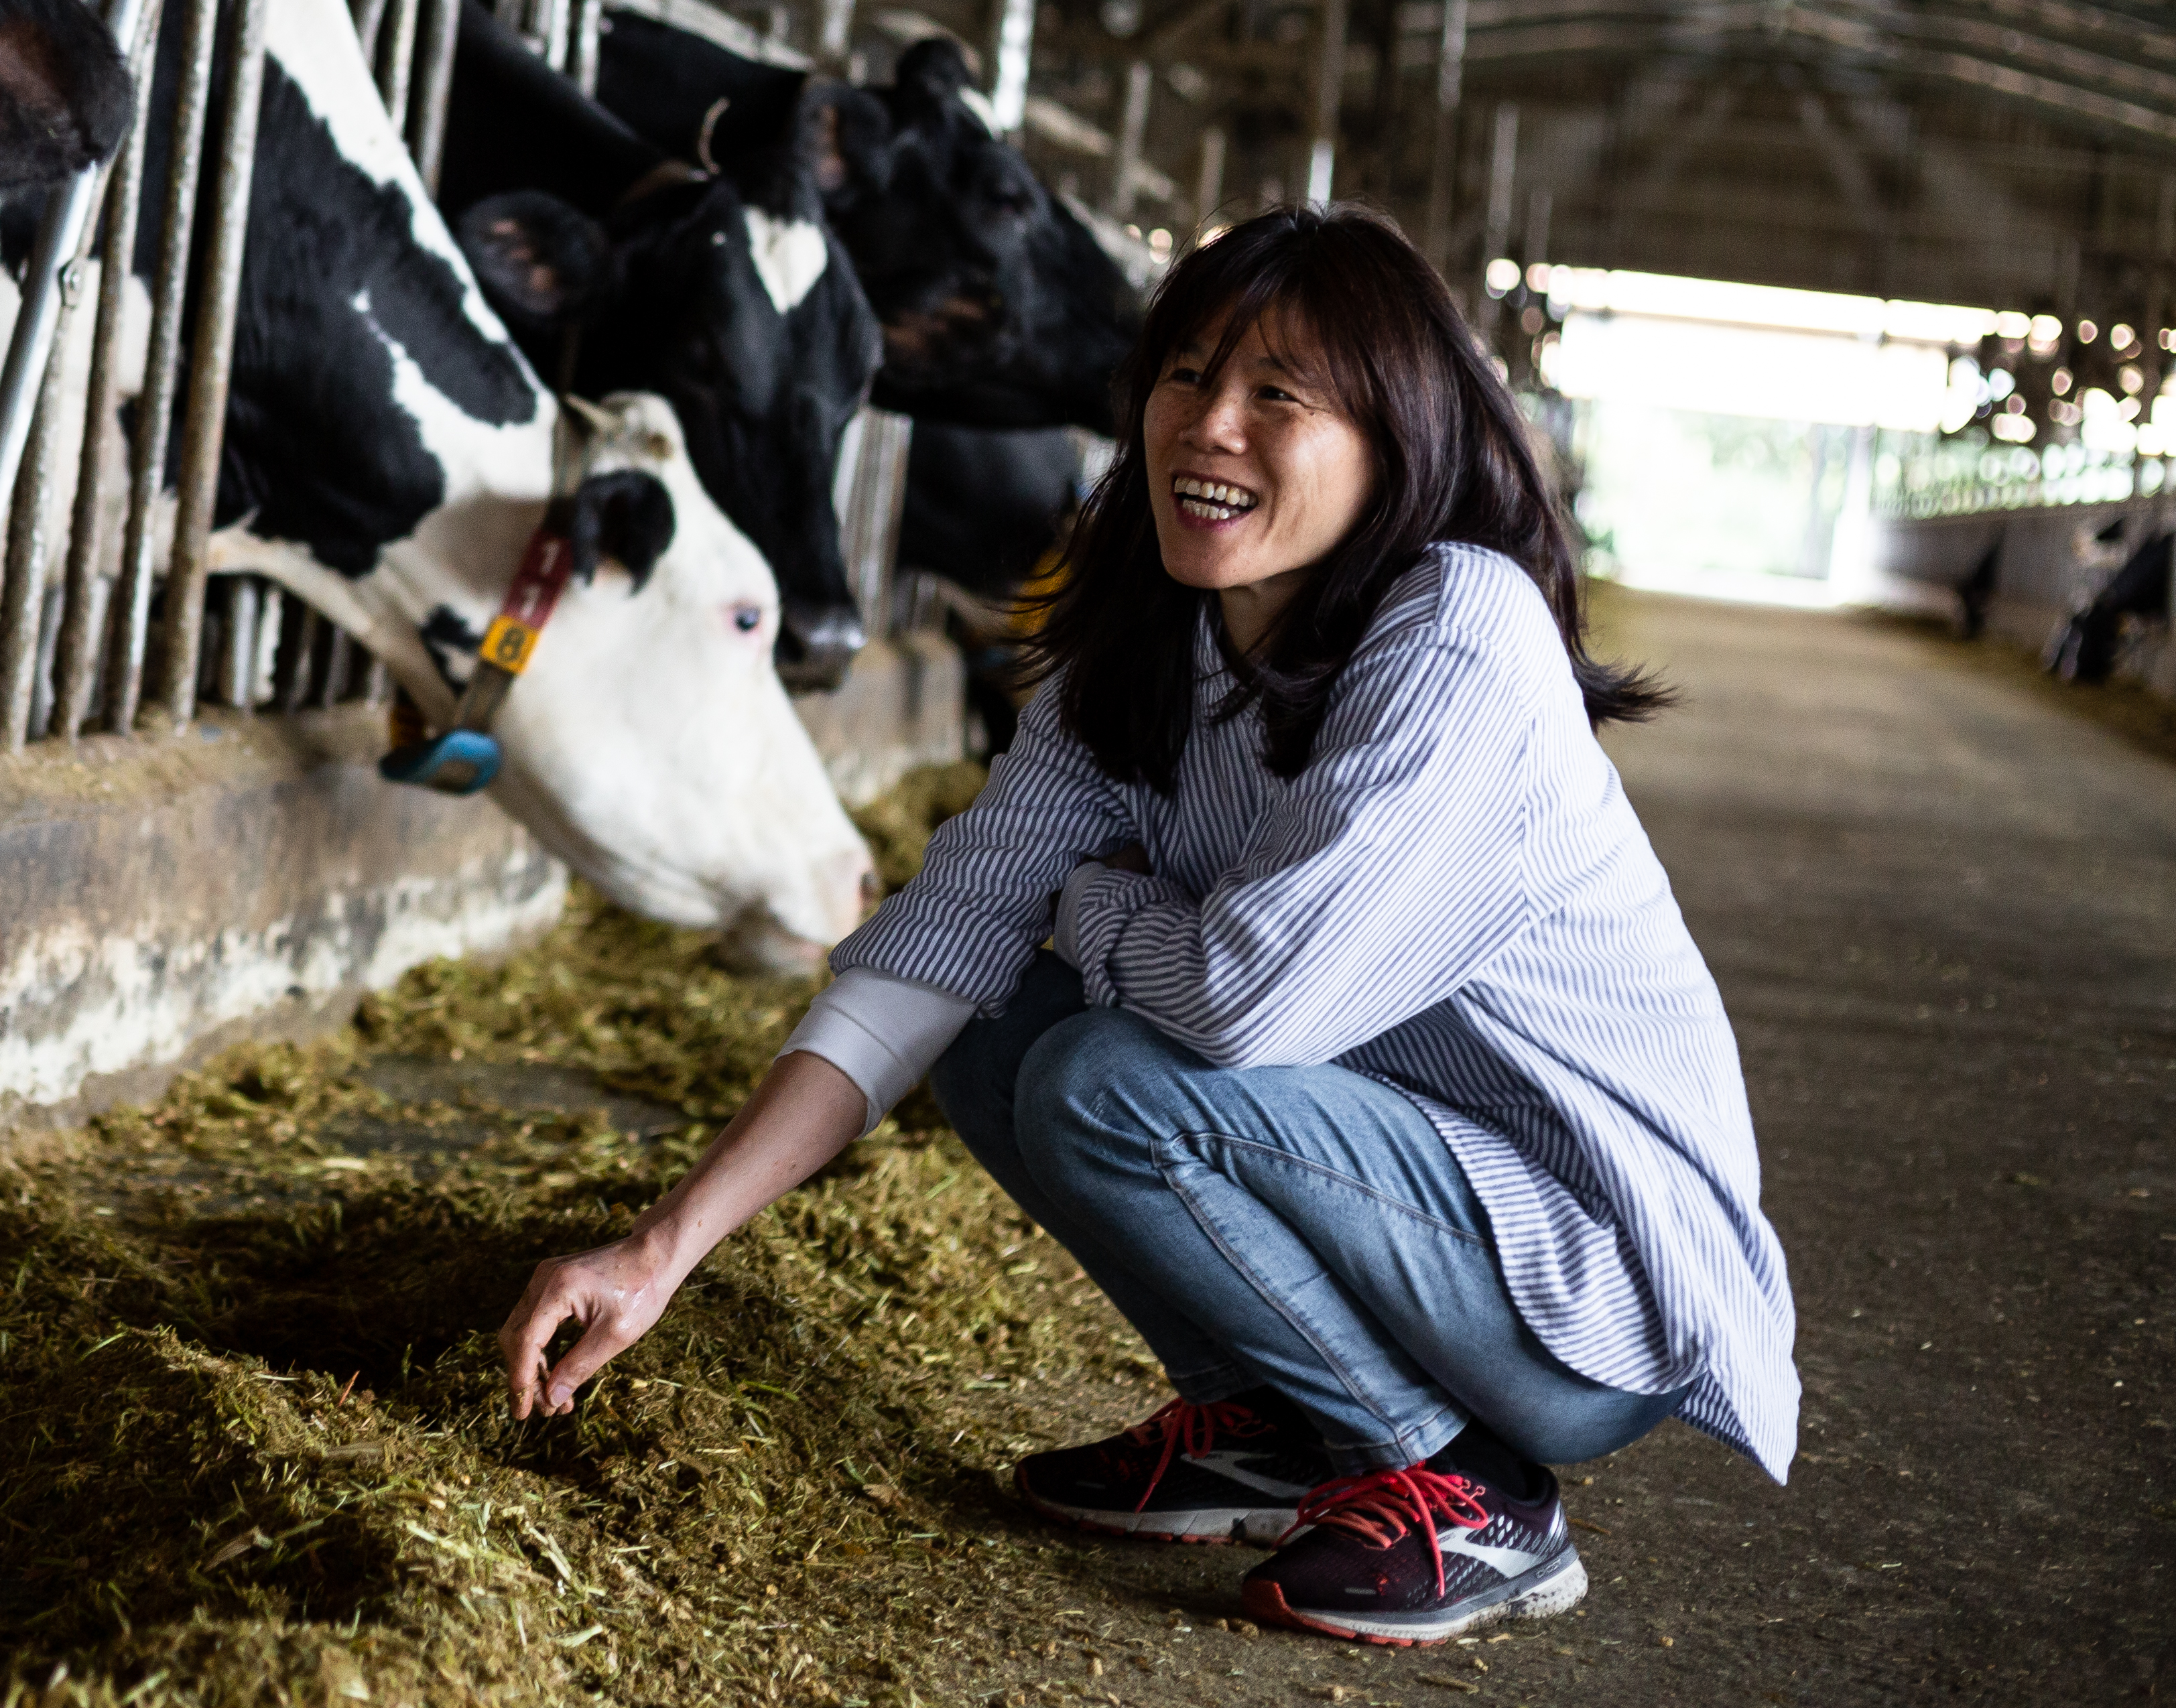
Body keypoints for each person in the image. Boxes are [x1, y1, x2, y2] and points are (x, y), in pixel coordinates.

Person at [497, 204, 1793, 1648]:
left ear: (1397, 440)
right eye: (1187, 374)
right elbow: (938, 940)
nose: (1208, 424)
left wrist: (1093, 900)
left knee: (1105, 1079)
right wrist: (658, 1251)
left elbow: (1247, 1007)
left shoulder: (1460, 632)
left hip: (1578, 1278)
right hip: (1374, 1176)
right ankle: (1277, 1423)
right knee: (990, 1019)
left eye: (1278, 394)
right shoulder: (1155, 634)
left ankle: (1461, 1480)